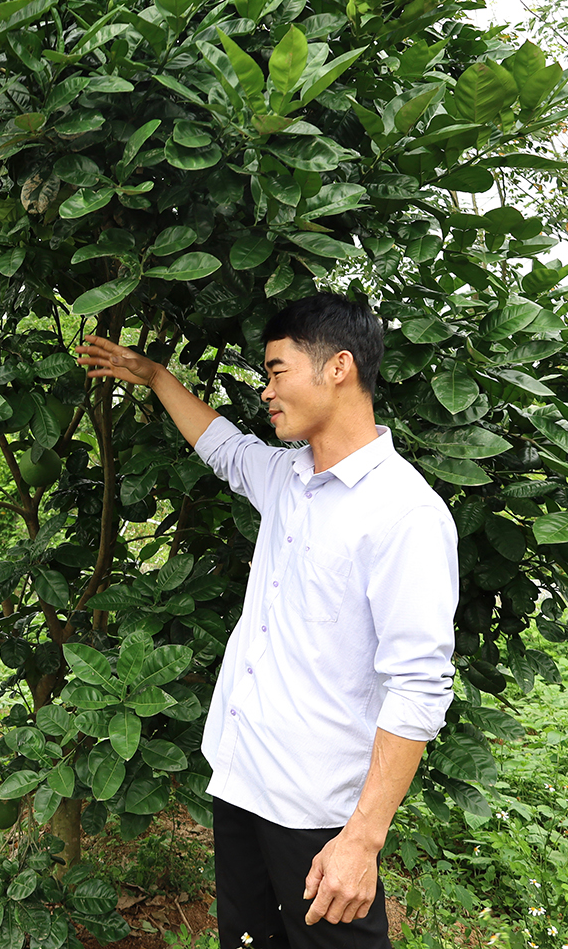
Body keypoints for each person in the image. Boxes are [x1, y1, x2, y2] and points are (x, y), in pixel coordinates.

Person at [75, 293, 457, 948]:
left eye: (277, 372)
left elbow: (419, 686)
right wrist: (157, 376)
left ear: (337, 368)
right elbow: (222, 446)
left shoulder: (406, 515)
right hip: (242, 778)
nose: (266, 391)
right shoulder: (288, 477)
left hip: (318, 813)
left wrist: (362, 838)